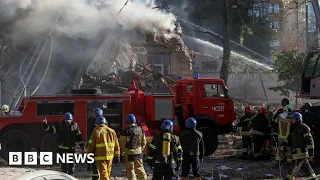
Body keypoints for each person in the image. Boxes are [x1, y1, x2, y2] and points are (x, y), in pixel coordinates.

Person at [86, 116, 120, 180]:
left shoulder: (95, 131)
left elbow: (91, 145)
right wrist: (117, 155)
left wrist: (88, 155)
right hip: (110, 156)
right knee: (107, 173)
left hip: (100, 157)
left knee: (103, 174)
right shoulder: (112, 131)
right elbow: (116, 145)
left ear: (97, 123)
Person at [284, 112, 316, 180]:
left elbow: (310, 141)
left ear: (297, 119)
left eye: (292, 119)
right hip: (295, 152)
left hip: (302, 153)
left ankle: (288, 178)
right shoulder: (293, 128)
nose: (291, 120)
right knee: (307, 169)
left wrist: (311, 154)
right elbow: (289, 139)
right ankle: (313, 177)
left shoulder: (304, 127)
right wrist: (283, 144)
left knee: (294, 167)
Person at [119, 114, 147, 180]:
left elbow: (122, 143)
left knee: (130, 169)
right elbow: (144, 142)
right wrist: (141, 149)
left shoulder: (125, 131)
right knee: (140, 167)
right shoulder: (140, 129)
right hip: (139, 152)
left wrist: (122, 152)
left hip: (129, 153)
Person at [87, 108, 104, 180]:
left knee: (95, 163)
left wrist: (89, 147)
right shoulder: (103, 123)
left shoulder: (96, 125)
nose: (92, 114)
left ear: (97, 114)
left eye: (94, 113)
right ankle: (95, 176)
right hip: (100, 148)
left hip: (95, 148)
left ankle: (96, 177)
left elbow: (92, 137)